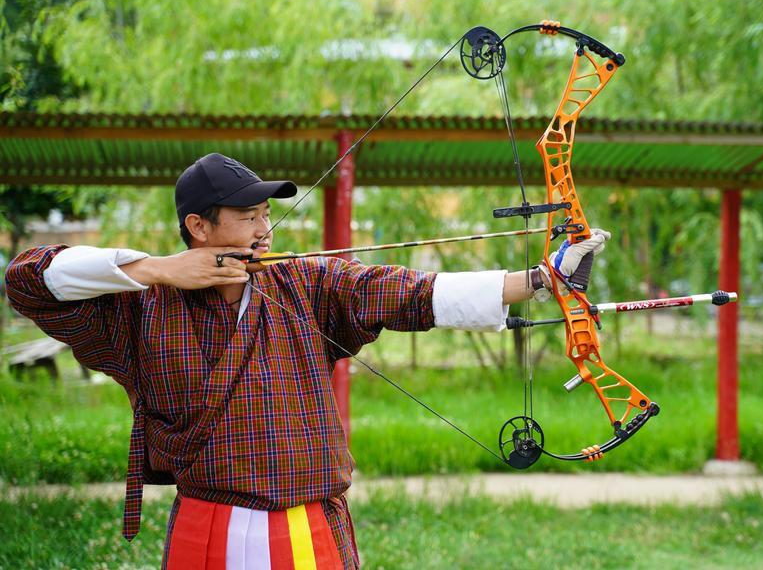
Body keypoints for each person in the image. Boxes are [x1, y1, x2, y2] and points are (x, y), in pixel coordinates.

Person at [4, 153, 610, 569]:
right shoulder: (138, 309)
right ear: (198, 227)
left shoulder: (305, 284)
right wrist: (158, 269)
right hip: (207, 525)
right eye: (248, 217)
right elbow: (27, 278)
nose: (264, 230)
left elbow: (407, 292)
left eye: (266, 214)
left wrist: (540, 279)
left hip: (307, 525)